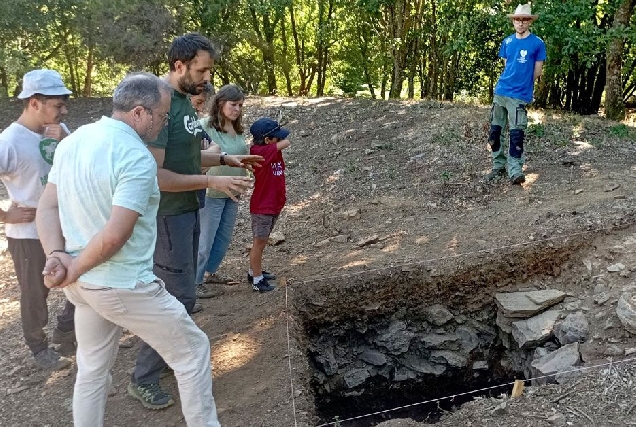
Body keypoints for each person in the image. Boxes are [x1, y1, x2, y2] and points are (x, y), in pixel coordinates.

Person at [35, 72, 221, 427]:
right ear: (140, 113)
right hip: (121, 283)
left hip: (84, 285)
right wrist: (68, 265)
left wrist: (57, 255)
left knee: (91, 368)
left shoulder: (76, 141)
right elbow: (114, 236)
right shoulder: (136, 156)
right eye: (163, 115)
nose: (164, 122)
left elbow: (47, 207)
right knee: (193, 350)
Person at [130, 32, 262, 410]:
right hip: (168, 217)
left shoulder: (185, 104)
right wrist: (211, 180)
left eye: (208, 71)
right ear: (179, 65)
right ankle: (143, 377)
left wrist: (225, 160)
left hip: (188, 210)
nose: (207, 78)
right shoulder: (158, 104)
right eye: (202, 70)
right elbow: (155, 174)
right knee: (175, 298)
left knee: (181, 295)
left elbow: (187, 158)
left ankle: (169, 356)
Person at [0, 69, 75, 370]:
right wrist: (6, 214)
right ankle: (38, 347)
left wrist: (67, 138)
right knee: (36, 291)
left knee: (79, 273)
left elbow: (82, 162)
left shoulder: (59, 130)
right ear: (34, 103)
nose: (63, 111)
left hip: (65, 225)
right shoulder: (9, 141)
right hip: (28, 233)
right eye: (57, 105)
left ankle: (66, 330)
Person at [196, 84, 256, 297]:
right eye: (233, 104)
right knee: (205, 238)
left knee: (223, 237)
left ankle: (210, 273)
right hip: (212, 191)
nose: (237, 109)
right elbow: (197, 154)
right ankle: (195, 282)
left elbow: (238, 155)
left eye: (240, 105)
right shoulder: (205, 126)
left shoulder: (237, 129)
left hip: (234, 191)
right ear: (221, 104)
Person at [486, 3, 546, 185]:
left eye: (524, 20)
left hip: (519, 96)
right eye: (517, 20)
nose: (520, 23)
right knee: (495, 132)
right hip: (501, 92)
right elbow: (507, 65)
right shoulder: (507, 42)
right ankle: (498, 165)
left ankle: (515, 170)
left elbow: (537, 72)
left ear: (529, 22)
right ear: (513, 21)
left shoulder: (537, 43)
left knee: (516, 134)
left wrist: (523, 86)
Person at [248, 118, 291, 292]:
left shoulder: (271, 151)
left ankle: (254, 271)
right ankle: (257, 281)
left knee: (261, 242)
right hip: (262, 207)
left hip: (273, 205)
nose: (280, 140)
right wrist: (281, 142)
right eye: (276, 137)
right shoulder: (259, 152)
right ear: (267, 140)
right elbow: (285, 143)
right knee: (259, 242)